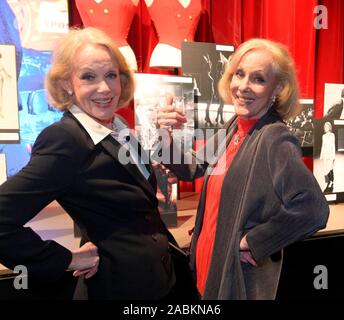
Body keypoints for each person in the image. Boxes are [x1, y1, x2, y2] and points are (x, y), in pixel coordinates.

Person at [0, 27, 182, 300]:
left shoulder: (117, 128)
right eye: (88, 77)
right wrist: (64, 260)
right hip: (117, 287)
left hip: (160, 279)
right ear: (66, 83)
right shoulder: (65, 139)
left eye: (111, 75)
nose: (105, 88)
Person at [157, 38, 329, 299]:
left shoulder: (275, 137)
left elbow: (312, 209)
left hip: (235, 278)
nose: (243, 86)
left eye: (258, 79)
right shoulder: (234, 127)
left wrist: (256, 242)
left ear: (277, 88)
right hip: (208, 262)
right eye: (240, 74)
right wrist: (165, 137)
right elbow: (193, 168)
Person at [320, 121, 336, 193]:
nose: (325, 128)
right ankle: (327, 181)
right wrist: (321, 155)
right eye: (325, 127)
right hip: (325, 154)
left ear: (329, 127)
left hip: (330, 154)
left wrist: (333, 156)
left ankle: (332, 181)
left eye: (327, 126)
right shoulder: (323, 136)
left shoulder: (332, 135)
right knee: (326, 168)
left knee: (330, 168)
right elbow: (323, 146)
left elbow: (333, 146)